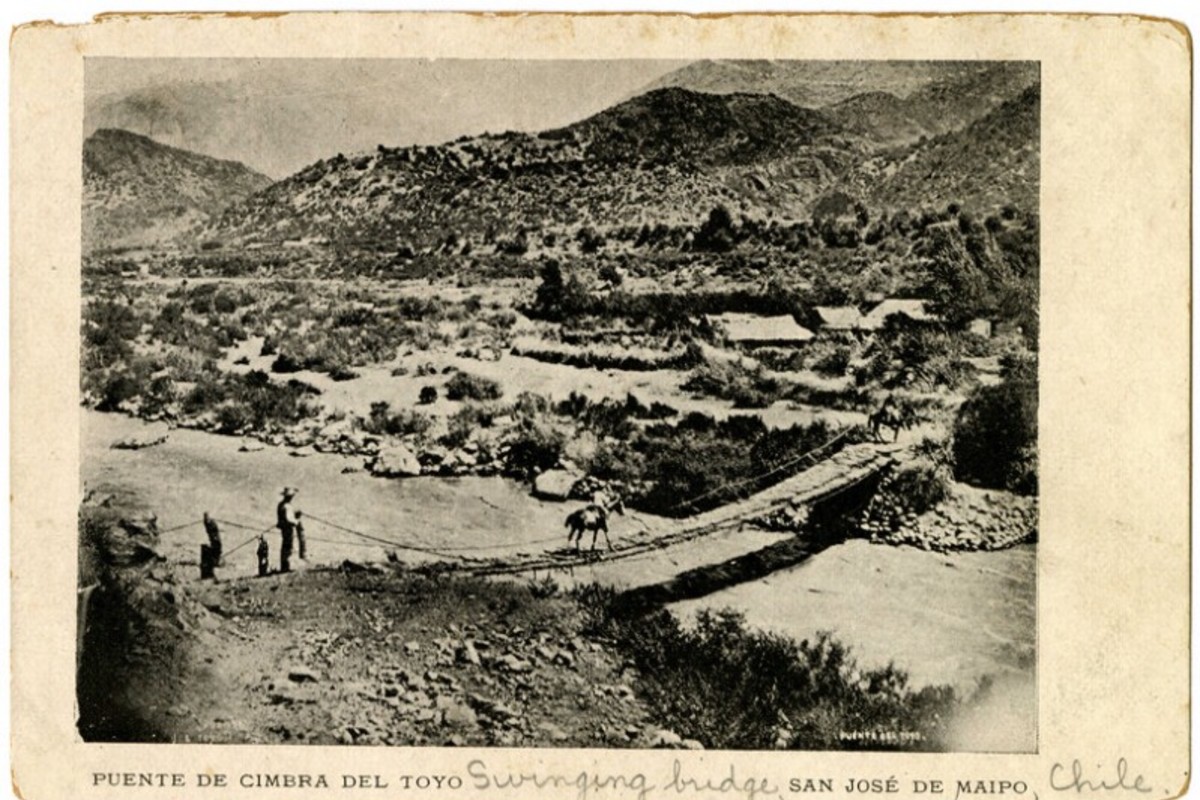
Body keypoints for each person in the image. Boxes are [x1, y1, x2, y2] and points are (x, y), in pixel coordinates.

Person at [276, 487, 298, 573]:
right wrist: (296, 521)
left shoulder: (280, 504)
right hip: (288, 528)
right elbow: (289, 519)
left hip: (283, 528)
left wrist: (295, 515)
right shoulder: (287, 506)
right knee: (288, 546)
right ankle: (285, 567)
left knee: (285, 546)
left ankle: (284, 566)